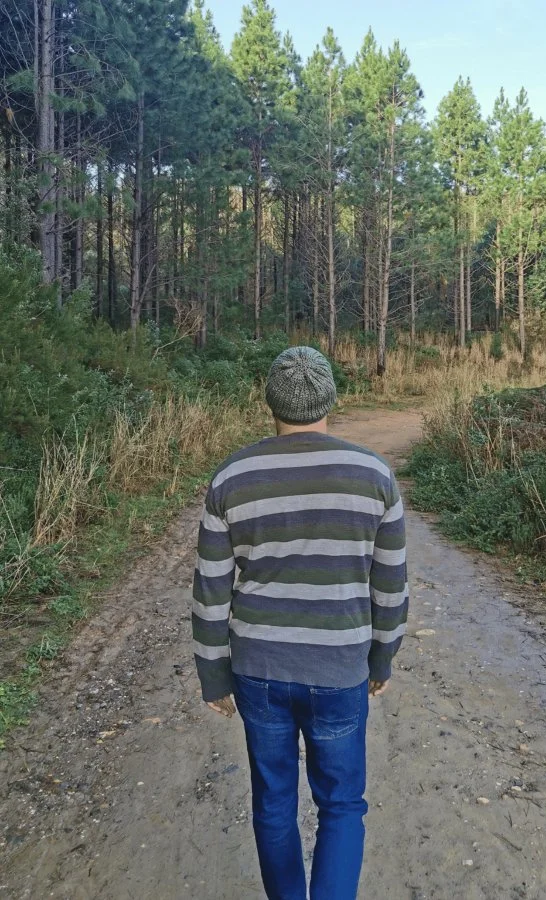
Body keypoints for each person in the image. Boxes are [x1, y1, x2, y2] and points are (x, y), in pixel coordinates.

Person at [192, 346, 408, 900]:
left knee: (273, 803)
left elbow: (211, 590)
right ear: (331, 398)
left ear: (270, 402)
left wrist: (214, 673)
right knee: (341, 804)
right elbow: (390, 586)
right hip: (339, 668)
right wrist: (381, 658)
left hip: (259, 669)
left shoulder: (232, 477)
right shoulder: (373, 474)